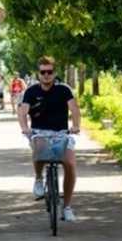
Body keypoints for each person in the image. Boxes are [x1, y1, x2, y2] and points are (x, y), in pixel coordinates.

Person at [18, 56, 82, 222]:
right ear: (38, 73)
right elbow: (23, 111)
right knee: (38, 149)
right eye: (43, 72)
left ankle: (67, 206)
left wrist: (75, 125)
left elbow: (74, 109)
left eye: (50, 72)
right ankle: (39, 179)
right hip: (39, 132)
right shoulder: (31, 91)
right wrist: (25, 128)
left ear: (55, 73)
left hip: (61, 132)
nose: (46, 75)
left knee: (70, 164)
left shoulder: (64, 89)